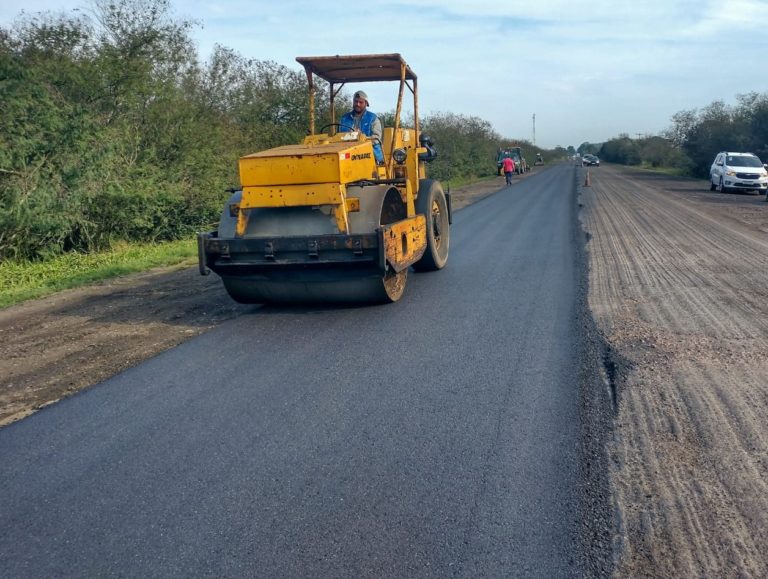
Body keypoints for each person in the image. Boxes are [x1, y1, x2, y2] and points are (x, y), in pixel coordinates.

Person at [338, 90, 384, 164]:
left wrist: (361, 137)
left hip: (370, 156)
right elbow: (338, 137)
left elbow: (377, 138)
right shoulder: (344, 118)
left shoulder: (373, 118)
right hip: (348, 155)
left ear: (366, 103)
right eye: (356, 101)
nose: (358, 104)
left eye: (361, 102)